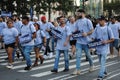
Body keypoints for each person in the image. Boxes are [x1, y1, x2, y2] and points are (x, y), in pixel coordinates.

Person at [91, 16, 114, 80]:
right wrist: (91, 42)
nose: (100, 21)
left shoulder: (108, 28)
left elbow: (112, 39)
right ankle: (105, 72)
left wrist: (106, 41)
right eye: (99, 20)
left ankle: (100, 75)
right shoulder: (97, 28)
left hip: (105, 48)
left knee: (102, 61)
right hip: (98, 48)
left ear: (104, 21)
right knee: (101, 62)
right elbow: (93, 37)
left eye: (101, 20)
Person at [72, 9, 94, 75]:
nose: (77, 14)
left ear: (83, 13)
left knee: (88, 55)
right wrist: (74, 33)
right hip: (79, 42)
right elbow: (75, 30)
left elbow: (92, 30)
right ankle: (77, 69)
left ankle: (92, 65)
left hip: (86, 41)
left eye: (79, 13)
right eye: (77, 13)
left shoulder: (88, 21)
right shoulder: (77, 21)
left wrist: (87, 34)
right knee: (78, 55)